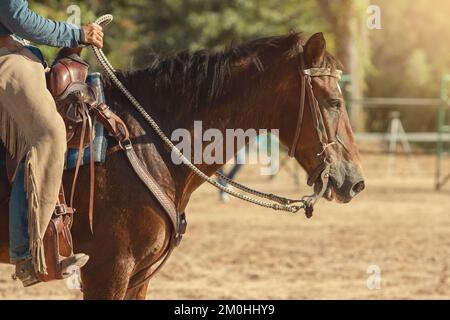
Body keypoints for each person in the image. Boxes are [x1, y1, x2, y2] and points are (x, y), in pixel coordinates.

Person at [0, 0, 103, 287]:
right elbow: (17, 17)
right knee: (49, 132)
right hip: (6, 56)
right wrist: (74, 34)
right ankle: (29, 254)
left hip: (18, 52)